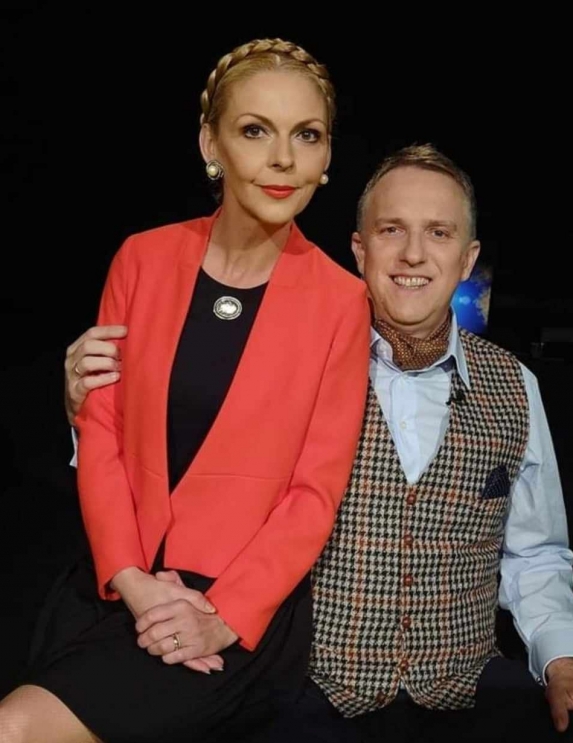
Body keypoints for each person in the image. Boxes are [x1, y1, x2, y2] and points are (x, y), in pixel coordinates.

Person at [64, 144, 573, 743]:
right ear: (360, 251)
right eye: (392, 230)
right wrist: (89, 414)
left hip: (468, 690)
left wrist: (564, 665)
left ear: (467, 259)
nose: (413, 253)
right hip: (307, 691)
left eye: (438, 233)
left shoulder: (516, 386)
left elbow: (536, 554)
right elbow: (178, 464)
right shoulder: (290, 363)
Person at [0, 37, 370, 743]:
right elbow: (101, 433)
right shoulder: (141, 259)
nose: (283, 158)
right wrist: (130, 578)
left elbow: (314, 493)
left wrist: (223, 614)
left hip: (230, 616)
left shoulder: (340, 302)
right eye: (255, 130)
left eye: (307, 135)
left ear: (326, 157)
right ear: (210, 143)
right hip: (112, 581)